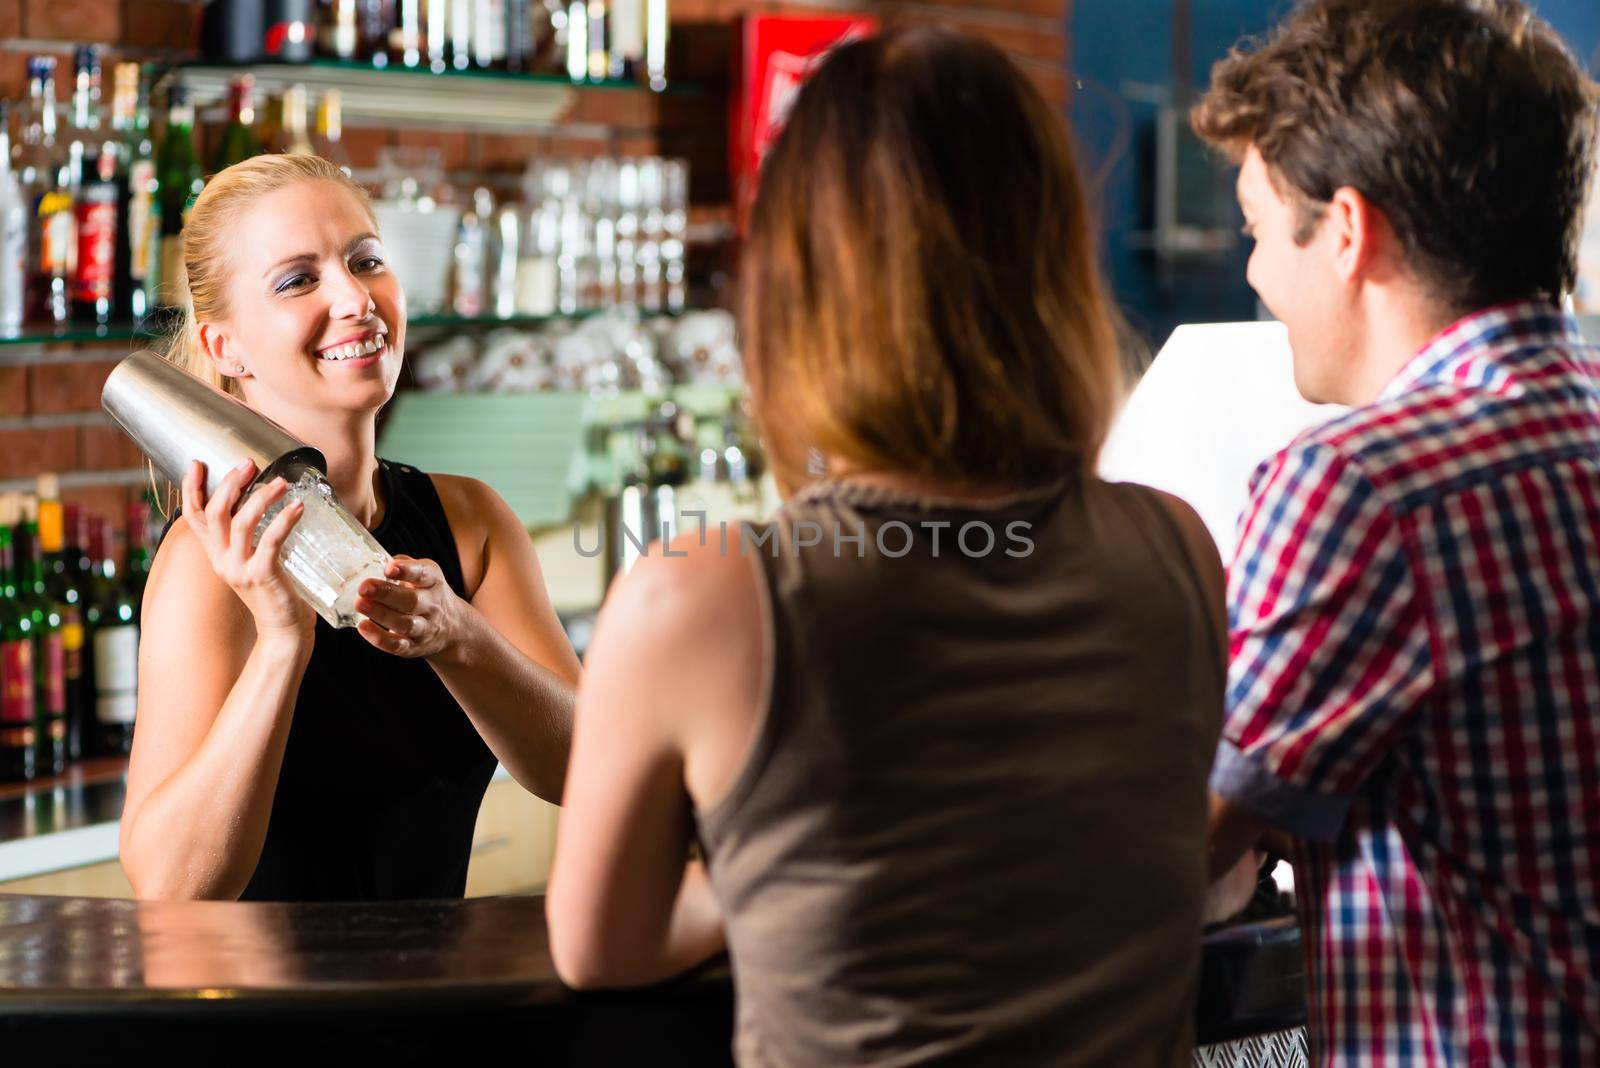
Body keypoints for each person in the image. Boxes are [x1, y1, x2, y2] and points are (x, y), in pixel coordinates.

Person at [547, 27, 1226, 1067]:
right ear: (1051, 264)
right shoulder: (1174, 549)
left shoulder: (705, 595)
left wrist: (765, 868)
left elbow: (602, 947)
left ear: (795, 282)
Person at [1193, 1, 1600, 1062]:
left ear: (1344, 230)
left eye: (1253, 228)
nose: (1251, 275)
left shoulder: (1362, 489)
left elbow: (1178, 840)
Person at [119, 153, 582, 902]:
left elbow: (590, 768)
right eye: (298, 279)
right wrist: (281, 642)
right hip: (266, 1018)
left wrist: (460, 638)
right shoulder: (210, 563)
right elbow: (173, 888)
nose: (356, 298)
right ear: (223, 347)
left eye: (366, 261)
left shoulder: (471, 523)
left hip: (435, 1009)